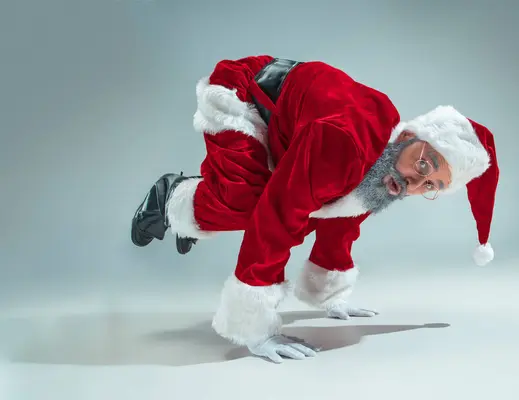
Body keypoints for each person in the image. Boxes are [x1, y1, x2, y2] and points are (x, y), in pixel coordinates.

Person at [130, 55, 500, 363]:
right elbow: (278, 216)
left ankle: (203, 203)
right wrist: (255, 328)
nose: (416, 186)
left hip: (295, 121)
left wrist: (331, 294)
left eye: (431, 186)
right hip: (241, 93)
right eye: (423, 167)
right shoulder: (345, 146)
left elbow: (344, 217)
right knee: (247, 203)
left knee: (315, 202)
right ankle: (172, 198)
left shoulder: (386, 163)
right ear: (407, 138)